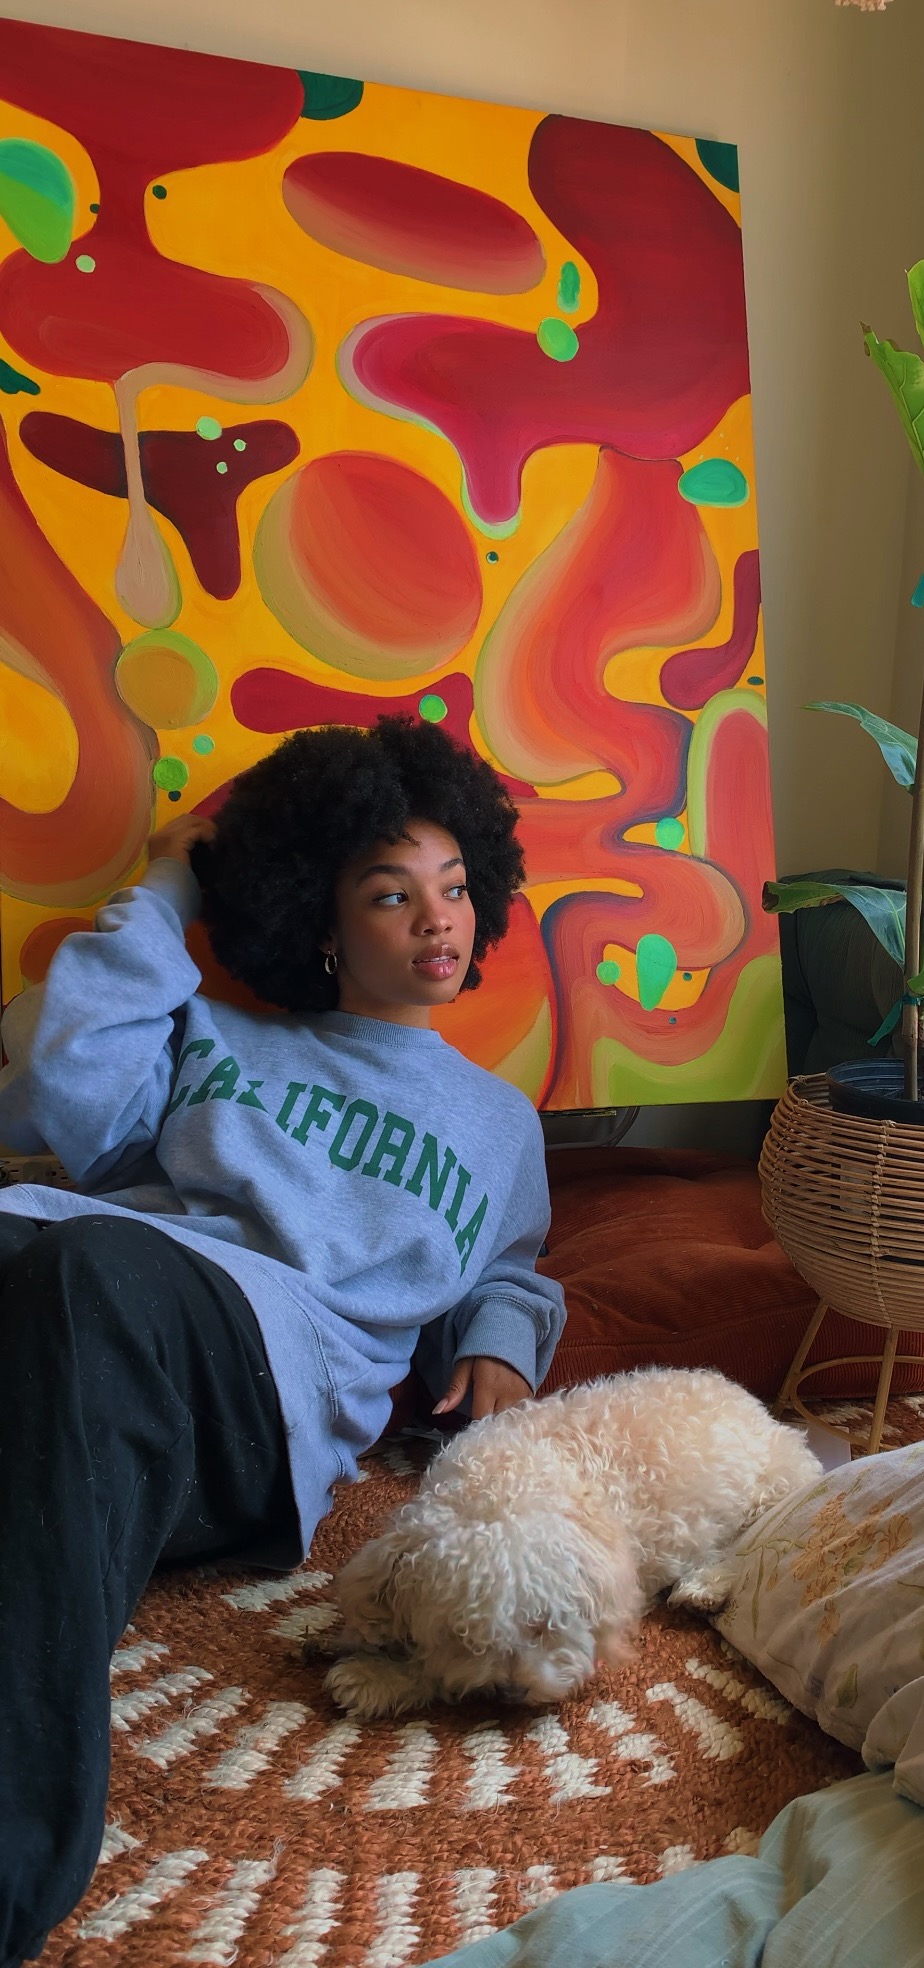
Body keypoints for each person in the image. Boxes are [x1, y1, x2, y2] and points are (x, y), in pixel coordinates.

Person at [0, 717, 566, 1966]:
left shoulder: (496, 1120)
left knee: (92, 1275)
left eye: (454, 887)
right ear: (321, 924)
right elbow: (57, 1087)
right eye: (390, 894)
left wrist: (503, 1339)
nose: (438, 921)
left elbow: (511, 1266)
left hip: (257, 1375)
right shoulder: (212, 1033)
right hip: (81, 1298)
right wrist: (165, 882)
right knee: (65, 1266)